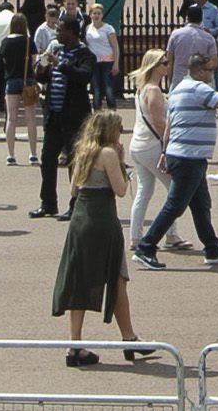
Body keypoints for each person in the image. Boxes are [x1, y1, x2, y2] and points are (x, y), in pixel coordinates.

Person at [49, 112, 153, 365]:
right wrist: (121, 161)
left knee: (79, 280)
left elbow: (73, 190)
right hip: (102, 218)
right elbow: (121, 190)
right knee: (117, 278)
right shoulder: (108, 153)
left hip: (80, 219)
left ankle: (74, 345)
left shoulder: (83, 150)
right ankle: (129, 338)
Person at [134, 42, 218, 266]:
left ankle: (213, 248)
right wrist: (166, 149)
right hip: (178, 152)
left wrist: (167, 149)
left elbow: (167, 123)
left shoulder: (165, 89)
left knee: (199, 203)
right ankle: (147, 246)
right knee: (174, 203)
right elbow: (162, 124)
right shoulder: (156, 90)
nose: (168, 65)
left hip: (161, 149)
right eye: (164, 63)